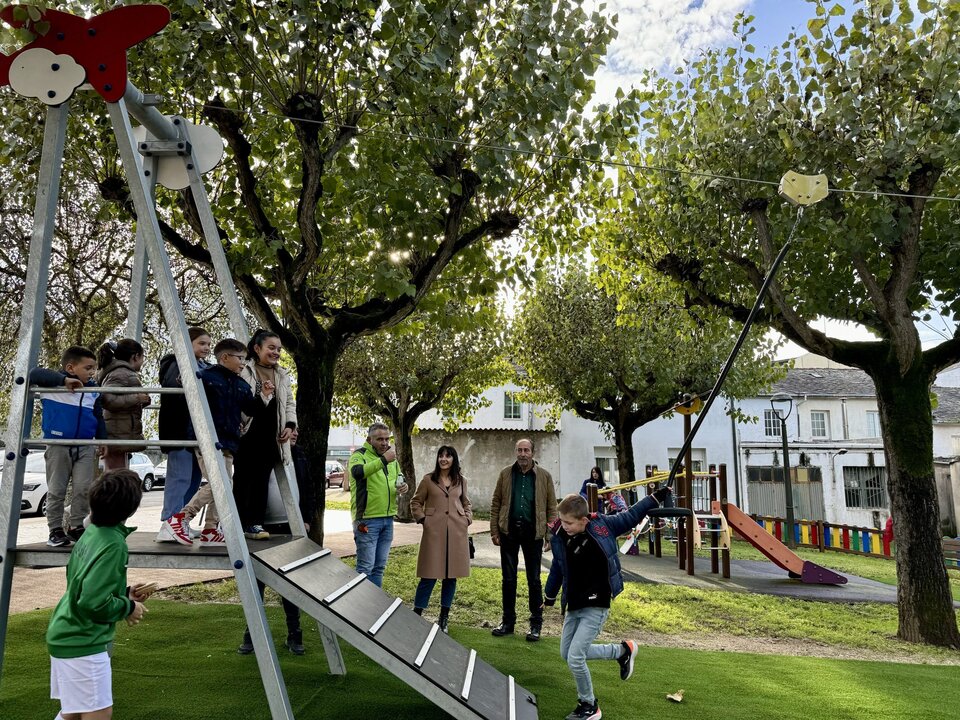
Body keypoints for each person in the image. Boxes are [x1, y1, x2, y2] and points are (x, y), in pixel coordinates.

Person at [543, 489, 671, 720]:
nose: (564, 526)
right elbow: (558, 568)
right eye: (561, 521)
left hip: (597, 602)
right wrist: (549, 597)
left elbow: (632, 515)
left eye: (569, 522)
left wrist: (656, 497)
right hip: (574, 603)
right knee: (567, 653)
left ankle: (589, 705)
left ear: (584, 520)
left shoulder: (604, 526)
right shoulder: (560, 536)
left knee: (575, 657)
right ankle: (622, 651)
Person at [46, 469, 154, 720]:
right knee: (98, 712)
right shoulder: (114, 543)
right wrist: (128, 607)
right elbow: (92, 602)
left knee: (73, 712)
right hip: (82, 640)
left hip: (67, 634)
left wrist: (124, 593)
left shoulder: (91, 533)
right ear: (131, 509)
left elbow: (82, 584)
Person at [160, 339, 274, 546]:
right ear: (225, 358)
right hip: (207, 439)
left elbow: (251, 410)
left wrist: (264, 396)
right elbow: (187, 398)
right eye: (240, 358)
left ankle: (211, 528)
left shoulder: (241, 384)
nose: (243, 363)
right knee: (218, 483)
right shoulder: (206, 377)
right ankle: (180, 518)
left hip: (229, 442)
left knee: (225, 485)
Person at [238, 434, 316, 656]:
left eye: (296, 429)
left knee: (290, 583)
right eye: (289, 428)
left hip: (291, 527)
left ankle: (295, 634)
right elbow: (244, 487)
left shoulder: (298, 454)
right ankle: (252, 634)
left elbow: (308, 488)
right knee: (257, 584)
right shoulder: (258, 453)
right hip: (261, 528)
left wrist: (307, 520)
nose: (295, 433)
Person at [30, 346, 107, 547]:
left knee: (83, 488)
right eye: (88, 368)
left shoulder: (92, 390)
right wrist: (63, 381)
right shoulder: (53, 384)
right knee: (57, 490)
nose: (92, 372)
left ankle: (76, 526)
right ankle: (55, 530)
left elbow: (98, 417)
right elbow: (34, 373)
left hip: (84, 445)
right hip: (58, 445)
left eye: (94, 368)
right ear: (71, 368)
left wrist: (102, 440)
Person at [489, 438, 557, 641]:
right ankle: (508, 622)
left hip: (533, 533)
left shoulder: (544, 476)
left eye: (526, 450)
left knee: (534, 580)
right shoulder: (505, 474)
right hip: (508, 532)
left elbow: (551, 507)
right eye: (519, 450)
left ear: (533, 453)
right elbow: (496, 502)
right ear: (516, 452)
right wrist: (494, 530)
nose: (523, 454)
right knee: (508, 580)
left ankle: (536, 623)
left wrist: (550, 535)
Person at [234, 329, 297, 540]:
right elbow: (242, 404)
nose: (276, 352)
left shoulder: (281, 374)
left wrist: (289, 425)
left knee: (261, 480)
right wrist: (263, 395)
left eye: (279, 349)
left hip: (272, 434)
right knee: (244, 480)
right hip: (249, 432)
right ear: (257, 348)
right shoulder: (245, 370)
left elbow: (289, 402)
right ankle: (237, 524)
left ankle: (255, 523)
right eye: (271, 348)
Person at [157, 326, 212, 538]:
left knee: (194, 480)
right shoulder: (175, 363)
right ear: (187, 345)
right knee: (178, 479)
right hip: (180, 430)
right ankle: (169, 522)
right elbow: (177, 386)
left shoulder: (205, 366)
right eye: (201, 343)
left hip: (197, 433)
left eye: (208, 344)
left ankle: (183, 521)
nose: (206, 348)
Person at [410, 445, 473, 633]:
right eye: (441, 456)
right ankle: (417, 614)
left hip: (456, 533)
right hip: (434, 533)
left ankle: (444, 618)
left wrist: (466, 518)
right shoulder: (429, 480)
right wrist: (423, 519)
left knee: (450, 577)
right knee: (428, 576)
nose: (443, 459)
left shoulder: (461, 480)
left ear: (454, 459)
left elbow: (466, 502)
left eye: (448, 456)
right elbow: (416, 501)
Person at [348, 422, 409, 587]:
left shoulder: (392, 460)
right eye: (379, 439)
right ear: (369, 439)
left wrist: (403, 486)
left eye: (387, 439)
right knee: (365, 568)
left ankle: (374, 609)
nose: (384, 443)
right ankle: (359, 610)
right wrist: (383, 460)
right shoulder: (358, 455)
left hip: (388, 519)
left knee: (379, 567)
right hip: (367, 520)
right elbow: (357, 473)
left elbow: (399, 478)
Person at [97, 339, 150, 471]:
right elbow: (107, 399)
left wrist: (141, 400)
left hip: (121, 429)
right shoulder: (121, 373)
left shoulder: (118, 371)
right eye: (143, 357)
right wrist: (137, 398)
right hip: (118, 431)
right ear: (135, 356)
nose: (143, 361)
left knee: (117, 472)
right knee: (116, 474)